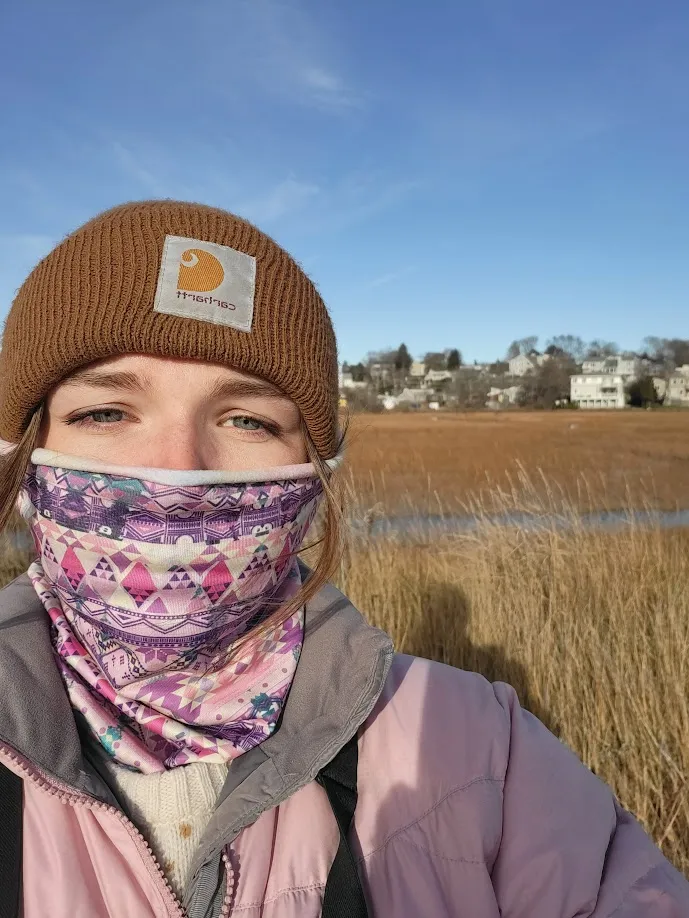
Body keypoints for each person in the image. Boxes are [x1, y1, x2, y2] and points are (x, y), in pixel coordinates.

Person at [0, 200, 686, 918]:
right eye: (105, 412)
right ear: (25, 457)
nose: (177, 473)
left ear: (313, 471)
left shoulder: (484, 753)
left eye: (247, 420)